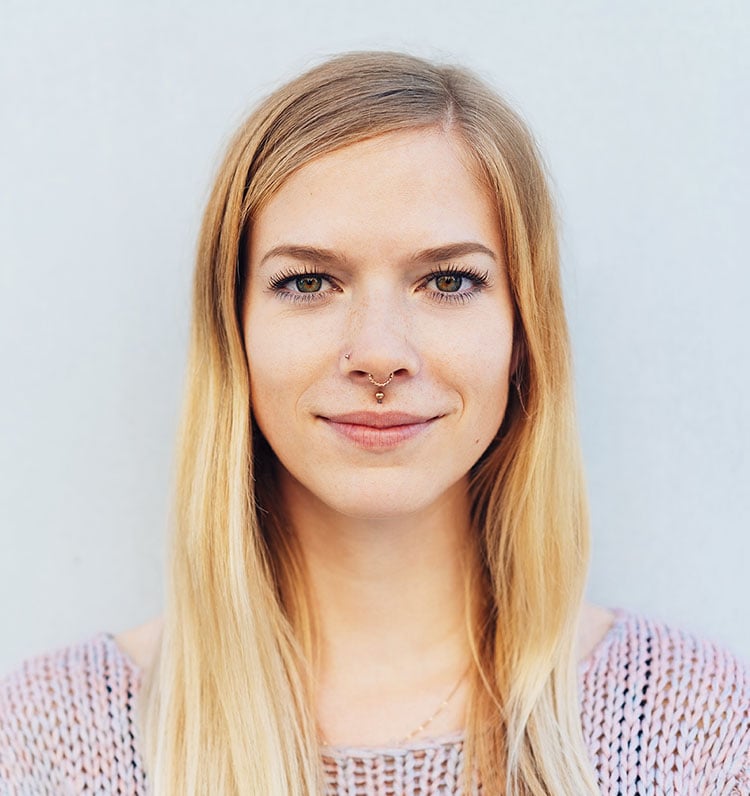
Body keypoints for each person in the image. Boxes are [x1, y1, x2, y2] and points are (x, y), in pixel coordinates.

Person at [0, 51, 747, 796]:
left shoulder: (697, 726)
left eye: (449, 281)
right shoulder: (50, 740)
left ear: (524, 335)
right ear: (235, 334)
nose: (380, 354)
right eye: (309, 282)